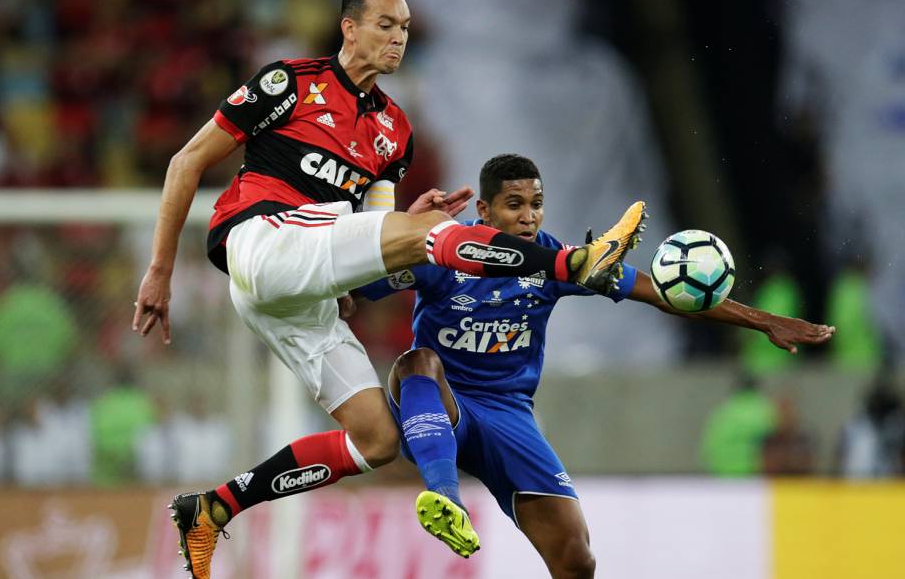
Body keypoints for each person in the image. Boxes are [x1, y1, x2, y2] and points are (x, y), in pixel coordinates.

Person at [130, 0, 647, 579]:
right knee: (421, 235)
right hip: (262, 240)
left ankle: (213, 508)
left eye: (403, 29)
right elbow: (186, 160)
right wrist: (160, 271)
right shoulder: (288, 84)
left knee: (377, 440)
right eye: (385, 25)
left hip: (295, 293)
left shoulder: (394, 131)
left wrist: (408, 224)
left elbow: (379, 236)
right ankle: (575, 263)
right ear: (349, 28)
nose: (398, 39)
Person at [353, 154, 836, 577]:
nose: (528, 216)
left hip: (509, 414)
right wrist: (399, 233)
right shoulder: (447, 252)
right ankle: (445, 498)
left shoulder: (555, 259)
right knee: (418, 360)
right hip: (441, 409)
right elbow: (364, 288)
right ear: (485, 210)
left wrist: (765, 321)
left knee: (577, 559)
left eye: (536, 203)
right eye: (514, 204)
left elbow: (660, 293)